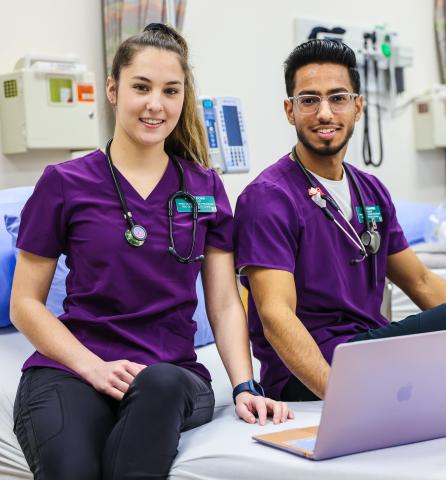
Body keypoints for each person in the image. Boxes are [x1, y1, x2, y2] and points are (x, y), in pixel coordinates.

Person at [10, 24, 291, 480]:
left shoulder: (204, 187)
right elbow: (24, 304)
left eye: (170, 90)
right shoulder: (64, 182)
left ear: (184, 97)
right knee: (72, 469)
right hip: (71, 369)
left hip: (171, 374)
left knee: (158, 381)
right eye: (141, 87)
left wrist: (244, 384)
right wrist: (94, 368)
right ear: (113, 90)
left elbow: (222, 304)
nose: (155, 104)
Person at [233, 38, 446, 402]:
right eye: (309, 100)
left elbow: (422, 281)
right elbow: (276, 315)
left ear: (358, 106)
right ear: (290, 110)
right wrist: (340, 396)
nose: (325, 113)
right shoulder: (269, 197)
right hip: (306, 370)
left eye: (337, 98)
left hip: (366, 347)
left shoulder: (371, 191)